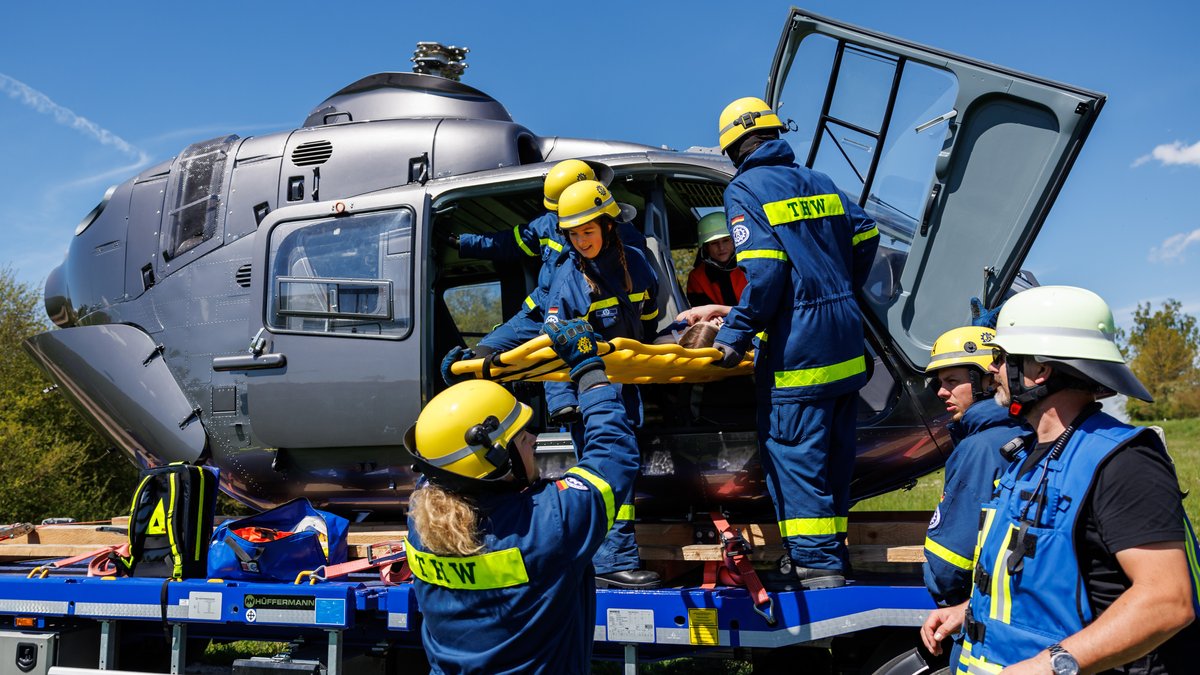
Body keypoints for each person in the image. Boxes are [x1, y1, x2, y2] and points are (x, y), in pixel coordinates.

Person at [921, 286, 1199, 675]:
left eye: (1001, 358)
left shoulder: (1124, 462)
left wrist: (1048, 665)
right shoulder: (1026, 456)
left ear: (1040, 369)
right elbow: (1041, 577)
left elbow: (1167, 601)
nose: (992, 370)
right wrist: (968, 610)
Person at [698, 96, 879, 589]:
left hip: (800, 346)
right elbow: (866, 233)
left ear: (733, 149)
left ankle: (816, 565)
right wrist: (836, 284)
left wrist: (734, 333)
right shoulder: (820, 181)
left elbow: (767, 271)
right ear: (776, 134)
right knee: (835, 453)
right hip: (844, 336)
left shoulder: (745, 189)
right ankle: (827, 552)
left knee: (795, 452)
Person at [405, 318, 639, 674]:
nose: (532, 439)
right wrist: (589, 370)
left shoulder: (421, 524)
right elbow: (613, 455)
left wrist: (467, 394)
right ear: (496, 460)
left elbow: (445, 454)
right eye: (520, 435)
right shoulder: (549, 524)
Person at [540, 179, 661, 589]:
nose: (580, 241)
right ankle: (611, 561)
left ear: (609, 226)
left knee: (623, 471)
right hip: (590, 394)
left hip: (624, 388)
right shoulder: (568, 281)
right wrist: (565, 401)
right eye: (573, 234)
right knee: (605, 472)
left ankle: (611, 558)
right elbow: (556, 339)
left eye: (587, 231)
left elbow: (648, 318)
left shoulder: (638, 265)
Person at [441, 159, 647, 390]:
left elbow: (637, 284)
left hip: (587, 316)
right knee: (480, 360)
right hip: (537, 314)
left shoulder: (622, 233)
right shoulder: (547, 225)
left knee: (574, 370)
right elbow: (509, 243)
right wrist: (462, 243)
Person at [923, 326, 1028, 669]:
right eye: (940, 382)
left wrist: (953, 603)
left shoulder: (978, 448)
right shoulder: (1025, 431)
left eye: (952, 381)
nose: (941, 392)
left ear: (986, 382)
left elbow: (949, 558)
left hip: (978, 618)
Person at [686, 211, 747, 307]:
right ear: (706, 247)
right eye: (714, 243)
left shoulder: (749, 265)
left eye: (726, 240)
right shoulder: (697, 277)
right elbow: (701, 312)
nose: (721, 247)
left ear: (734, 241)